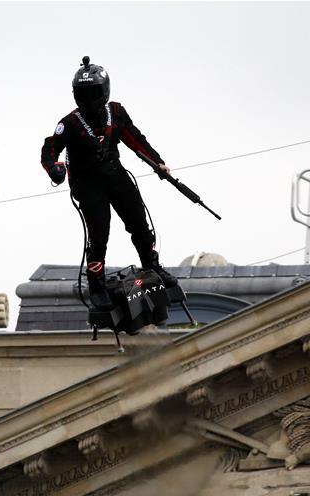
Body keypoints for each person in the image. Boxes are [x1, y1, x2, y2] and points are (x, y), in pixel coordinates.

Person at [41, 56, 177, 309]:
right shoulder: (68, 123)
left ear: (104, 91)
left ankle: (152, 265)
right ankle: (96, 284)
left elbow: (135, 139)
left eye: (94, 92)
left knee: (138, 219)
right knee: (99, 232)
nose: (89, 98)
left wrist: (157, 163)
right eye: (84, 93)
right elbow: (49, 150)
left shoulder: (115, 112)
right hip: (87, 184)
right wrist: (54, 169)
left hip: (115, 175)